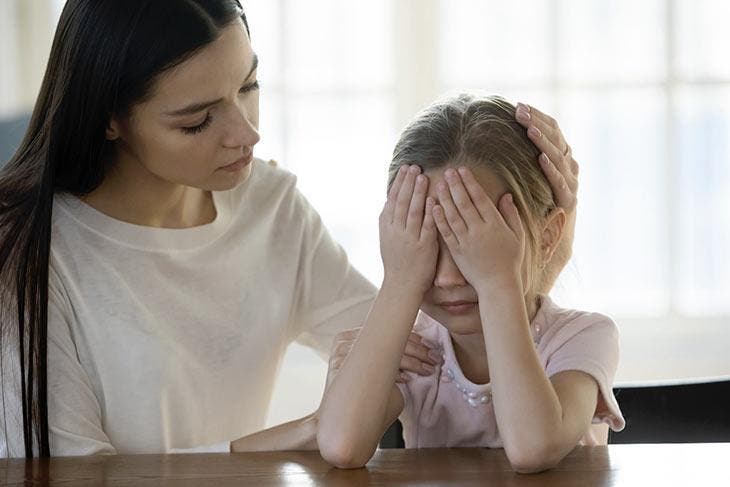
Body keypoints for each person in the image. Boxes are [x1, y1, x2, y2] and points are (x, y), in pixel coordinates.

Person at [0, 1, 578, 458]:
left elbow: (428, 341)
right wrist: (293, 435)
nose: (247, 134)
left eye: (248, 88)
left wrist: (548, 237)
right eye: (199, 120)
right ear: (109, 118)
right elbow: (63, 474)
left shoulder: (269, 207)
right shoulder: (32, 257)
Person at [317, 94, 624, 473]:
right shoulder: (418, 348)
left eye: (474, 248)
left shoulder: (583, 337)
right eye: (427, 245)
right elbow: (341, 446)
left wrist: (498, 282)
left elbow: (532, 448)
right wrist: (399, 282)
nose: (447, 277)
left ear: (547, 238)